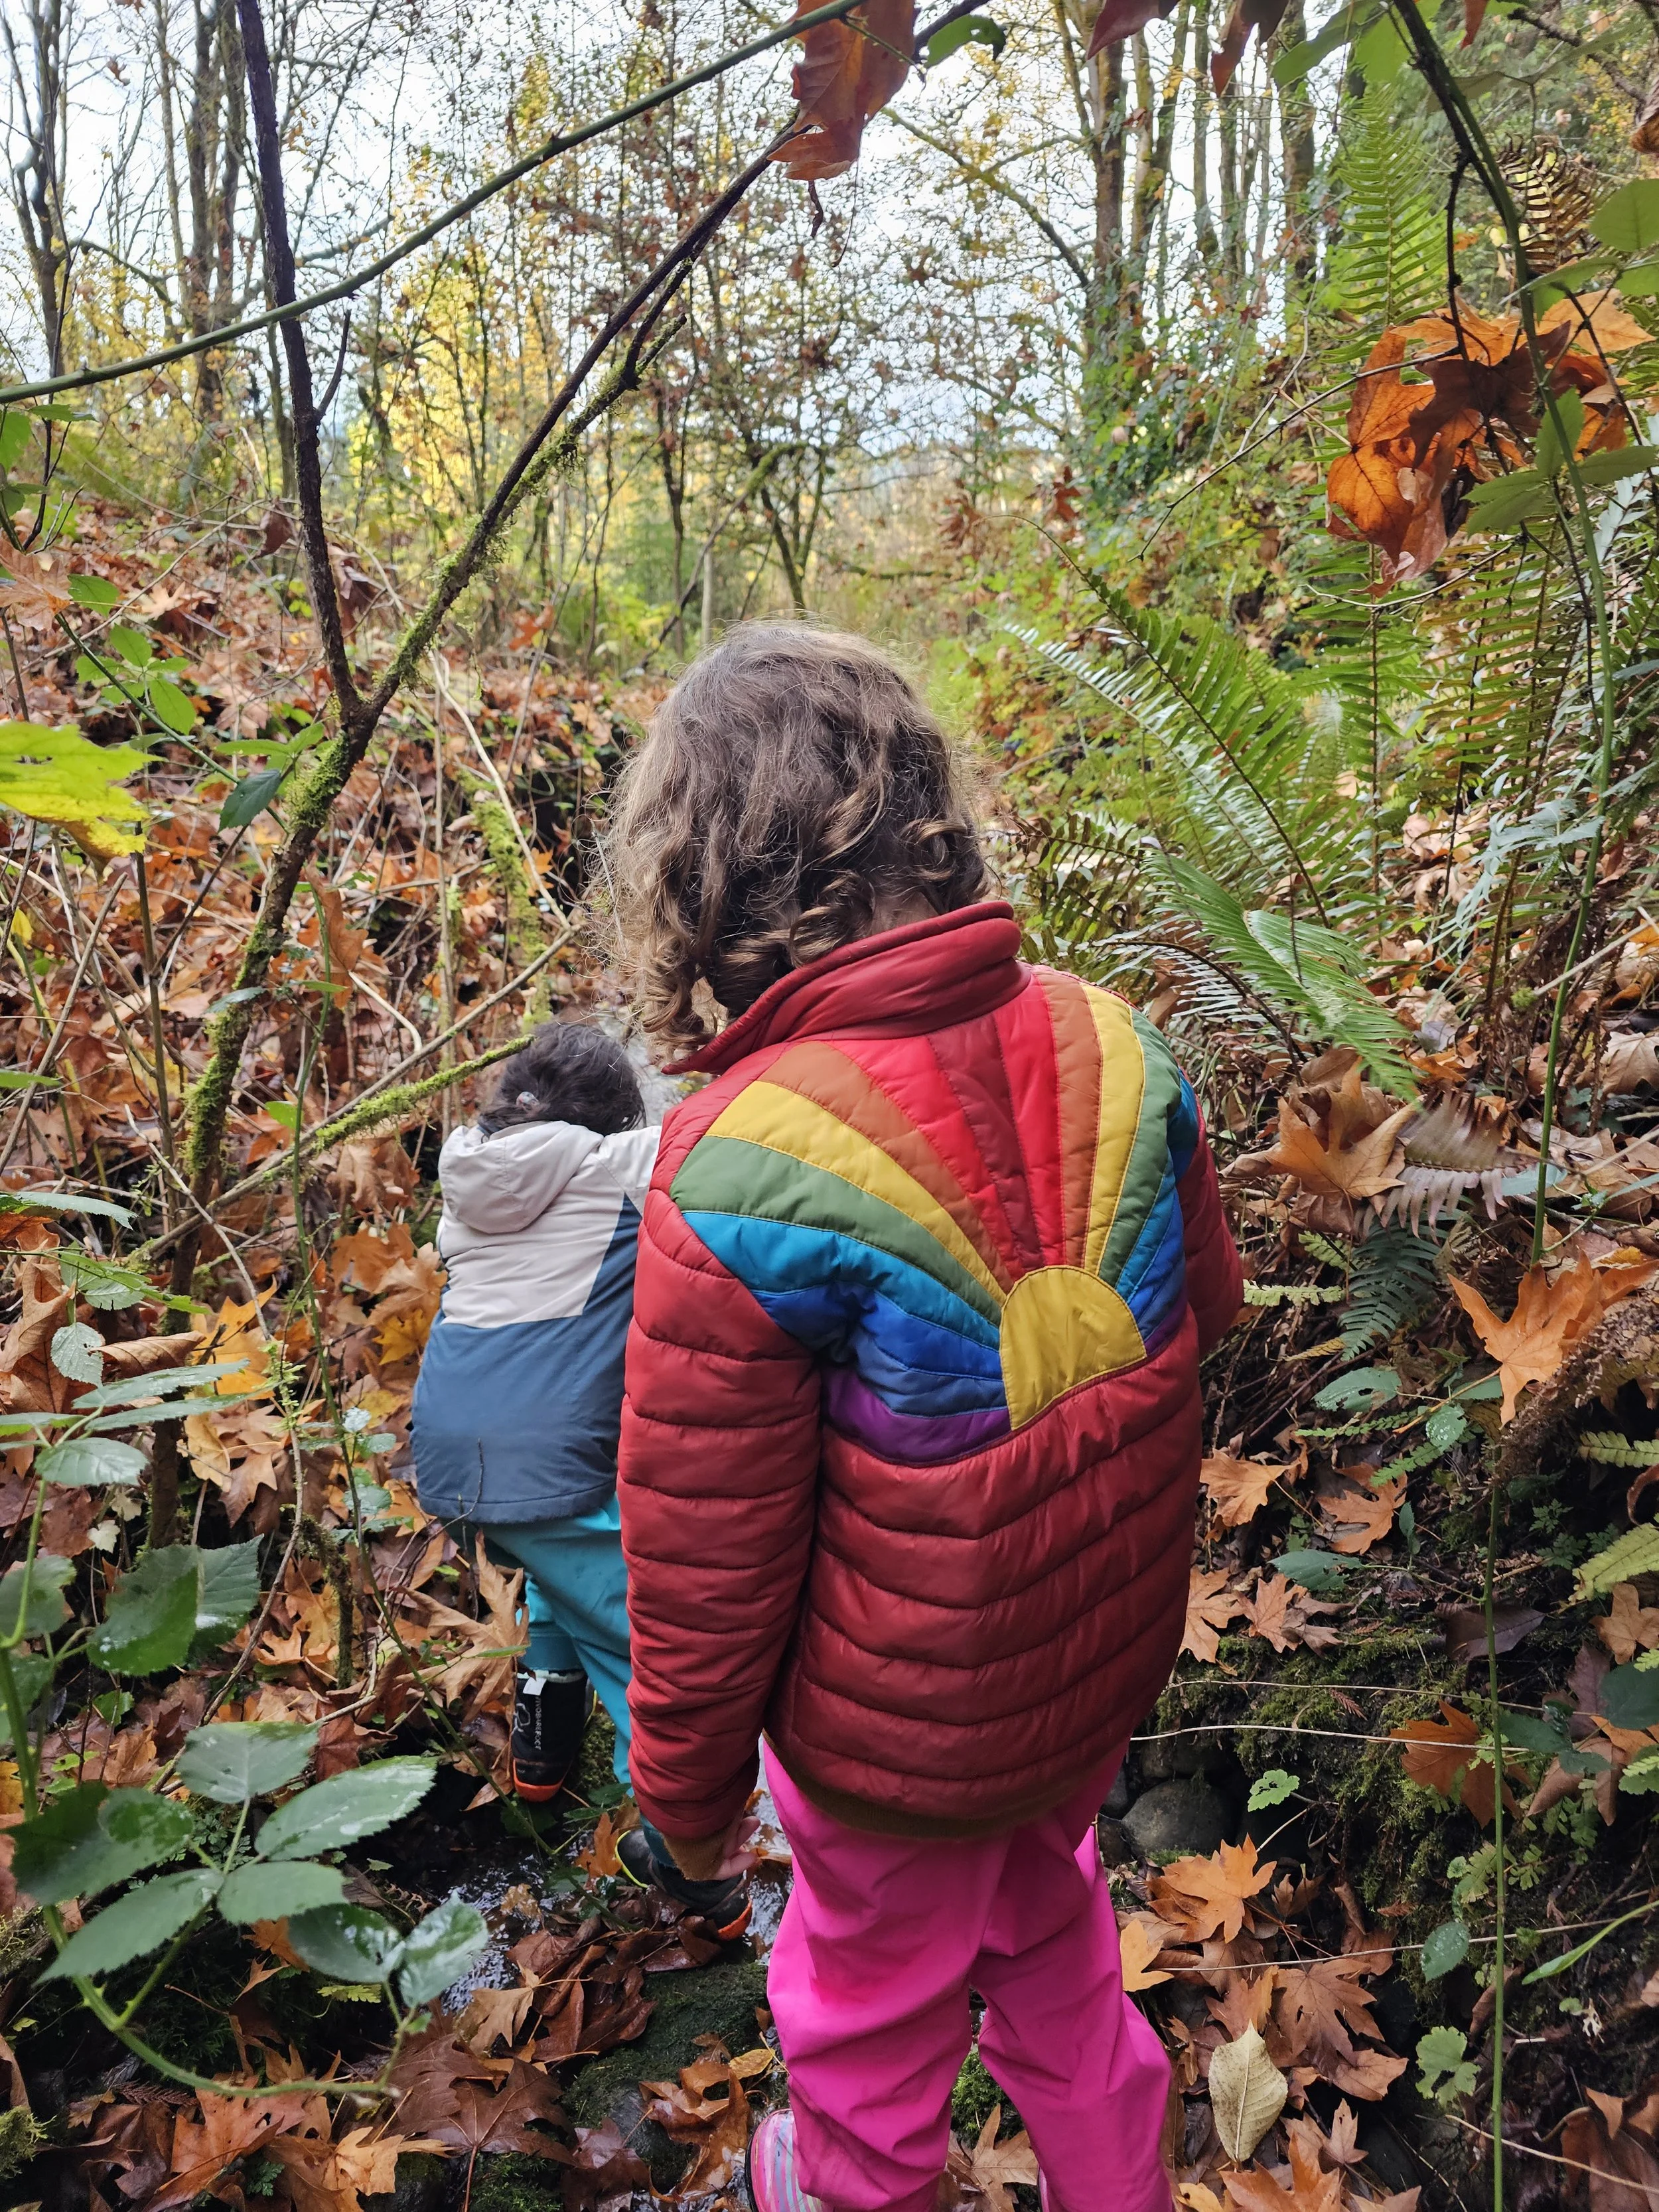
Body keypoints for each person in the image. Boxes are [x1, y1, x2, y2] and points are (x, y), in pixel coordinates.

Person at [609, 625, 1242, 2212]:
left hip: (889, 1744)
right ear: (925, 810)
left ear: (705, 880)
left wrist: (686, 1805)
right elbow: (1199, 1316)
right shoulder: (1117, 1039)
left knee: (865, 2027)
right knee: (1058, 1953)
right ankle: (1121, 2188)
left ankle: (840, 2186)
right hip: (1083, 1670)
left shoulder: (735, 1163)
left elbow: (708, 1565)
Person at [409, 1019, 749, 1935]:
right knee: (651, 1647)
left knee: (556, 1584)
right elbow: (729, 1136)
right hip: (549, 1454)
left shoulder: (467, 1181)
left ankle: (541, 1760)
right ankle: (700, 1867)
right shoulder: (616, 1164)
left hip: (450, 1448)